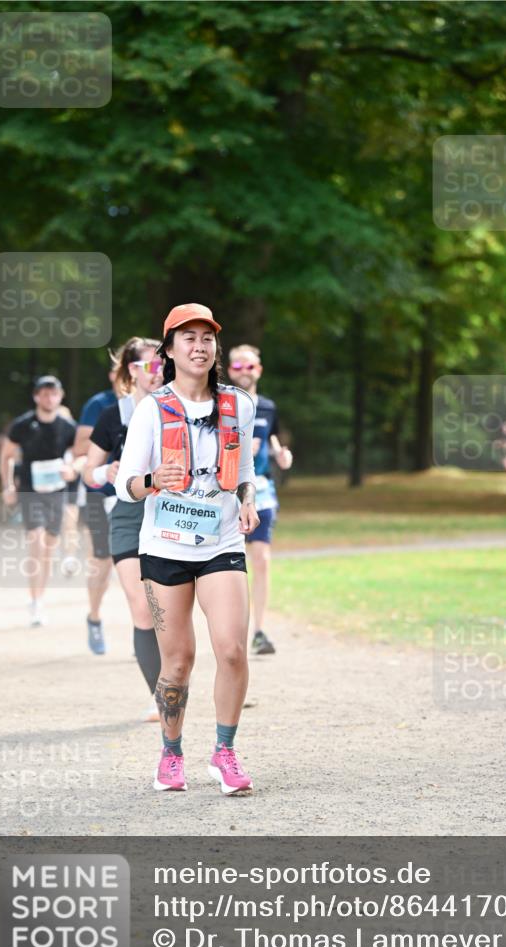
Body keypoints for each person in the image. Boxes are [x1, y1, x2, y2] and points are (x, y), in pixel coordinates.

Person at [115, 303, 260, 795]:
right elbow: (124, 485)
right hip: (165, 545)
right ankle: (171, 754)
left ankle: (224, 752)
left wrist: (247, 501)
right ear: (170, 350)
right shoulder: (152, 409)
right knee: (177, 660)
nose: (199, 346)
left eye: (207, 338)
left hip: (222, 540)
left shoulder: (239, 404)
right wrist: (153, 480)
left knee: (233, 650)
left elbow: (244, 474)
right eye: (188, 338)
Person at [84, 338, 163, 720]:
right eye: (150, 365)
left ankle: (178, 677)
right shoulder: (112, 415)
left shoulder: (180, 408)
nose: (159, 370)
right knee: (142, 608)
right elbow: (88, 469)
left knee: (169, 608)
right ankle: (161, 696)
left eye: (163, 363)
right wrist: (105, 471)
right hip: (129, 514)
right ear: (133, 371)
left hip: (172, 512)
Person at [228, 344, 293, 654]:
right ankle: (231, 629)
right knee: (230, 564)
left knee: (262, 561)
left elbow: (273, 439)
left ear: (259, 370)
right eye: (238, 367)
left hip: (263, 489)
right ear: (229, 371)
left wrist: (281, 454)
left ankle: (260, 631)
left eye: (249, 367)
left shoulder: (267, 406)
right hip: (229, 492)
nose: (244, 372)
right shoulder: (222, 403)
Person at [0, 376, 76, 626]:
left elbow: (81, 455)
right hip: (30, 492)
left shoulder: (67, 427)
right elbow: (7, 455)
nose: (48, 398)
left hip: (56, 492)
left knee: (49, 549)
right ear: (36, 396)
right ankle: (35, 601)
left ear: (60, 396)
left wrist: (72, 467)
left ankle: (39, 597)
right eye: (43, 393)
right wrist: (8, 485)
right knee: (36, 541)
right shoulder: (22, 425)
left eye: (53, 393)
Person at [73, 371, 117, 654]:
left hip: (140, 493)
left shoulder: (159, 400)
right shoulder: (99, 404)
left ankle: (146, 632)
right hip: (98, 490)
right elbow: (78, 447)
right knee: (102, 561)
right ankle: (95, 616)